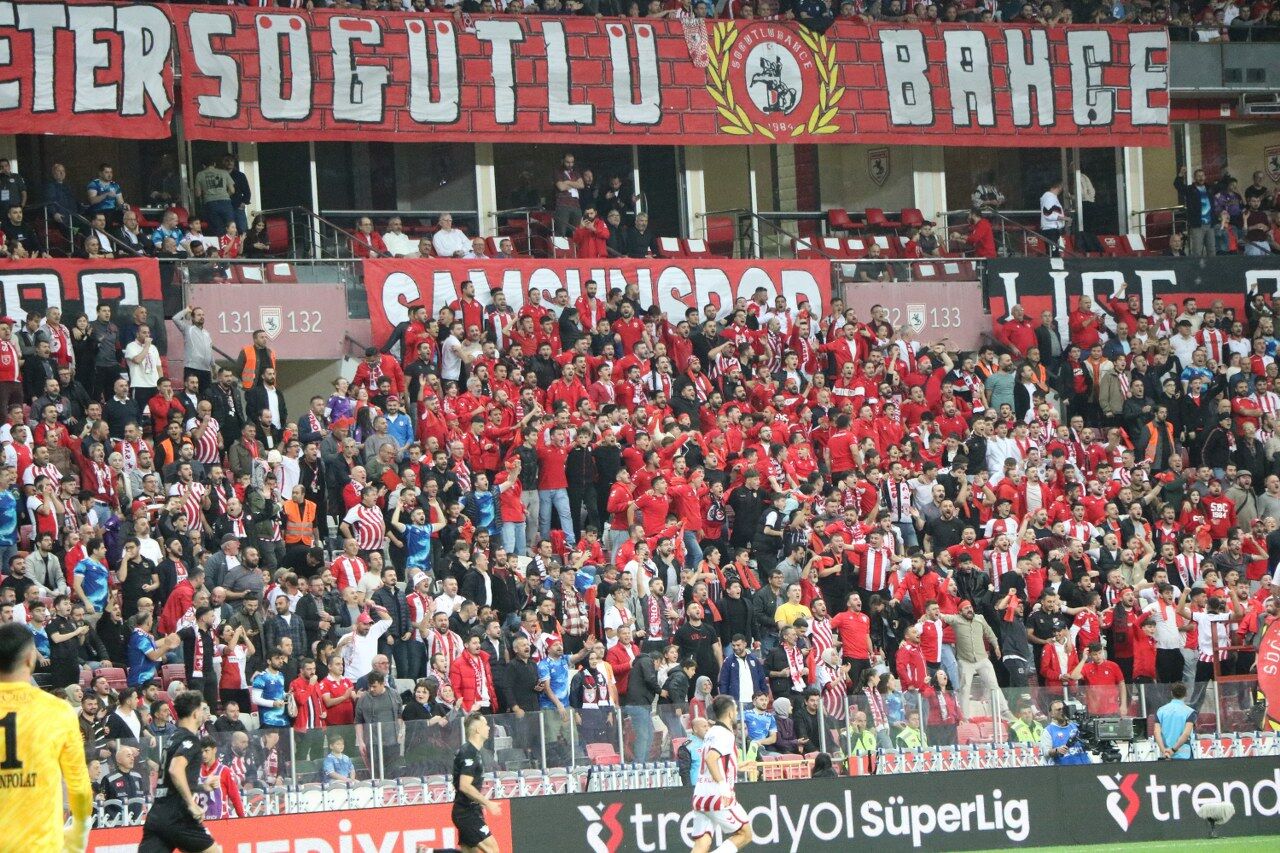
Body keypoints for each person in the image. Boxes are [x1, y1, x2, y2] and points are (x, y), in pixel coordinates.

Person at [0, 621, 94, 853]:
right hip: (40, 844)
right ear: (30, 658)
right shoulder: (58, 711)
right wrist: (80, 831)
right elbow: (79, 785)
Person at [139, 689, 222, 853]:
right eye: (203, 709)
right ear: (195, 713)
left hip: (157, 817)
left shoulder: (172, 738)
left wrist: (201, 786)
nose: (205, 713)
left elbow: (172, 781)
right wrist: (192, 804)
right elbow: (175, 770)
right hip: (179, 817)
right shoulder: (190, 739)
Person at [689, 694, 754, 853]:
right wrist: (723, 785)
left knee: (702, 843)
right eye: (736, 710)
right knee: (745, 834)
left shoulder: (711, 732)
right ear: (730, 713)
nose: (737, 713)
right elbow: (711, 759)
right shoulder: (725, 734)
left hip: (701, 794)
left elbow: (715, 762)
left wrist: (736, 766)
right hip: (718, 795)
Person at [452, 712, 501, 853]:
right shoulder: (469, 752)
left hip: (468, 810)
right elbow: (464, 785)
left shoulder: (472, 751)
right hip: (466, 813)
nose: (489, 727)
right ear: (478, 730)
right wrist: (487, 803)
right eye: (485, 724)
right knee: (493, 850)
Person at [1153, 681, 1197, 760]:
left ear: (1171, 693)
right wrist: (1173, 750)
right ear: (1186, 694)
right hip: (1184, 755)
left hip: (1166, 754)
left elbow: (1157, 732)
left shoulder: (1160, 711)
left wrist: (1164, 751)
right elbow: (1186, 734)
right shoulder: (1190, 712)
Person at [1041, 698, 1089, 766]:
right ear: (1051, 714)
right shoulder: (1048, 731)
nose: (1062, 711)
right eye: (1058, 709)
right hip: (1065, 769)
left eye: (1063, 709)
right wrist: (1057, 750)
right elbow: (1046, 753)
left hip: (1086, 766)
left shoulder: (1076, 726)